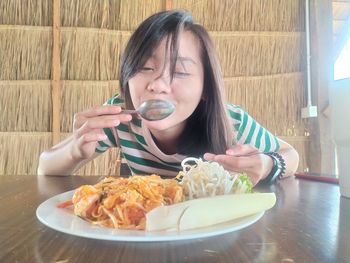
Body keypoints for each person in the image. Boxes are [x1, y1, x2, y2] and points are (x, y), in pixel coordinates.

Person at [38, 10, 299, 186]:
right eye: (145, 67)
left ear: (206, 87)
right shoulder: (119, 117)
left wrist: (266, 165)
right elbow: (45, 168)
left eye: (180, 72)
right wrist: (75, 150)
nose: (158, 85)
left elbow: (291, 155)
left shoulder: (232, 122)